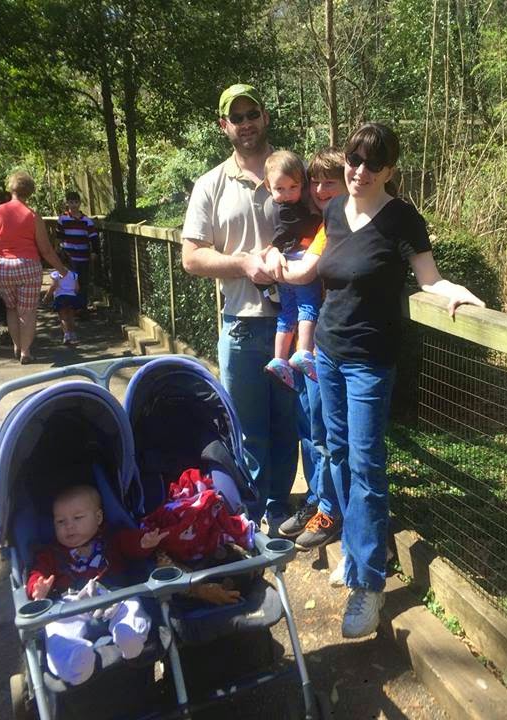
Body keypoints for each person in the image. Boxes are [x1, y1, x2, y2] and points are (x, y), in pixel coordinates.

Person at [289, 123, 485, 638]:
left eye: (373, 164)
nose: (360, 170)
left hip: (369, 363)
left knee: (366, 465)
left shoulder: (402, 218)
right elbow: (314, 270)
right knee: (335, 453)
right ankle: (356, 556)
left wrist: (453, 291)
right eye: (354, 159)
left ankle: (369, 585)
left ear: (389, 170)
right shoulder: (334, 210)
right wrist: (267, 262)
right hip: (328, 353)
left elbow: (428, 277)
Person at [181, 84, 299, 534]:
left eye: (253, 114)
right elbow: (191, 257)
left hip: (296, 324)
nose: (246, 123)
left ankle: (279, 508)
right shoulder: (210, 184)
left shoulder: (293, 173)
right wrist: (244, 264)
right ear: (224, 126)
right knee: (247, 429)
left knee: (288, 424)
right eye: (237, 117)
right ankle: (249, 512)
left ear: (265, 117)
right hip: (241, 326)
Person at [273, 148, 348, 552]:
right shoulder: (315, 222)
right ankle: (316, 501)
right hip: (312, 345)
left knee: (325, 432)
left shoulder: (342, 225)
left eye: (328, 182)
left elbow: (303, 272)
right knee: (309, 426)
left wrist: (275, 265)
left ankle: (329, 510)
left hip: (329, 344)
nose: (320, 190)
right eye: (315, 182)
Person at [27, 483, 160, 686]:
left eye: (77, 518)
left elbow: (132, 544)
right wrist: (37, 587)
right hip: (71, 605)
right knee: (56, 628)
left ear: (98, 518)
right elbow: (37, 572)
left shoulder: (111, 539)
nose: (69, 526)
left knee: (132, 605)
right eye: (60, 521)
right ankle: (75, 659)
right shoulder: (50, 553)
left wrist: (144, 542)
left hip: (115, 597)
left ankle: (129, 637)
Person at [0, 170, 69, 364]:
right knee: (28, 311)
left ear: (11, 188)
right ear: (30, 191)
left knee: (11, 308)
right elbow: (46, 250)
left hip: (1, 266)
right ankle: (26, 351)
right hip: (27, 266)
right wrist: (62, 270)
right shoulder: (32, 216)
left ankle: (17, 346)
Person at [261, 150, 323, 391]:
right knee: (308, 307)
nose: (287, 194)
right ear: (268, 187)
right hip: (297, 259)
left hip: (284, 263)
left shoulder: (279, 206)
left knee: (288, 313)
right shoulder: (286, 210)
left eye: (293, 187)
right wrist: (319, 220)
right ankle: (303, 352)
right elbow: (303, 226)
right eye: (280, 189)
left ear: (302, 185)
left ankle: (279, 359)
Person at [55, 191, 99, 308]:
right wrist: (58, 250)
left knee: (83, 282)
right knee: (70, 282)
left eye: (75, 202)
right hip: (68, 257)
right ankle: (71, 306)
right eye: (71, 202)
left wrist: (94, 252)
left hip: (83, 257)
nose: (73, 205)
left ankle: (82, 307)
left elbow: (94, 238)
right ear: (67, 203)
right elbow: (59, 236)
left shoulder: (86, 221)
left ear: (79, 203)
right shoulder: (63, 219)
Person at [43, 262, 82, 345]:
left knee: (63, 317)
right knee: (71, 316)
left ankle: (66, 335)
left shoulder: (56, 274)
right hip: (72, 297)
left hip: (60, 297)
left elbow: (53, 286)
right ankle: (72, 334)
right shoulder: (74, 275)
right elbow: (77, 288)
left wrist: (47, 297)